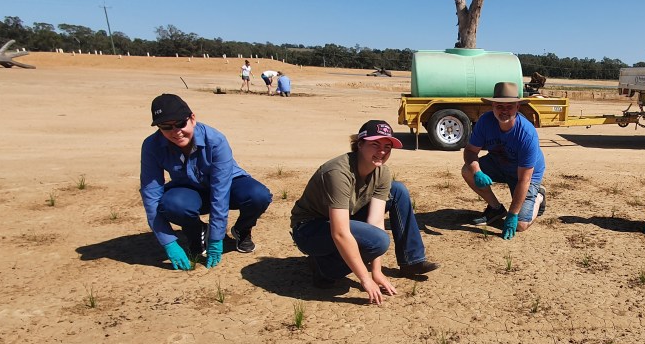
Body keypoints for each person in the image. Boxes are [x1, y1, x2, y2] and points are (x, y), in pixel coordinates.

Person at [291, 120, 439, 305]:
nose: (382, 152)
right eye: (375, 144)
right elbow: (340, 233)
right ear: (359, 144)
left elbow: (375, 223)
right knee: (377, 241)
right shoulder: (338, 173)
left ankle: (411, 261)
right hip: (310, 229)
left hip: (346, 217)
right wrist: (365, 278)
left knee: (397, 191)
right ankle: (324, 267)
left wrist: (376, 271)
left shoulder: (382, 172)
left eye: (387, 147)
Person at [140, 93, 274, 270]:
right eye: (166, 127)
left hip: (227, 185)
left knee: (258, 195)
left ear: (192, 119)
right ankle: (196, 233)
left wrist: (216, 238)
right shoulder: (151, 146)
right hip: (189, 190)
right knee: (172, 204)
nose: (176, 131)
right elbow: (151, 195)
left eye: (180, 124)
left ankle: (242, 229)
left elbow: (221, 192)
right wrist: (168, 242)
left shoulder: (215, 140)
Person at [461, 81, 547, 240]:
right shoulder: (485, 122)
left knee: (520, 225)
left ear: (517, 107)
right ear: (492, 106)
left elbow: (524, 179)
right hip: (499, 163)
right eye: (499, 106)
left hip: (525, 175)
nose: (504, 111)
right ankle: (496, 209)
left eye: (509, 106)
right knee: (468, 170)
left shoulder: (526, 134)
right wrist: (477, 172)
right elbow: (470, 151)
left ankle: (539, 196)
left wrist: (513, 214)